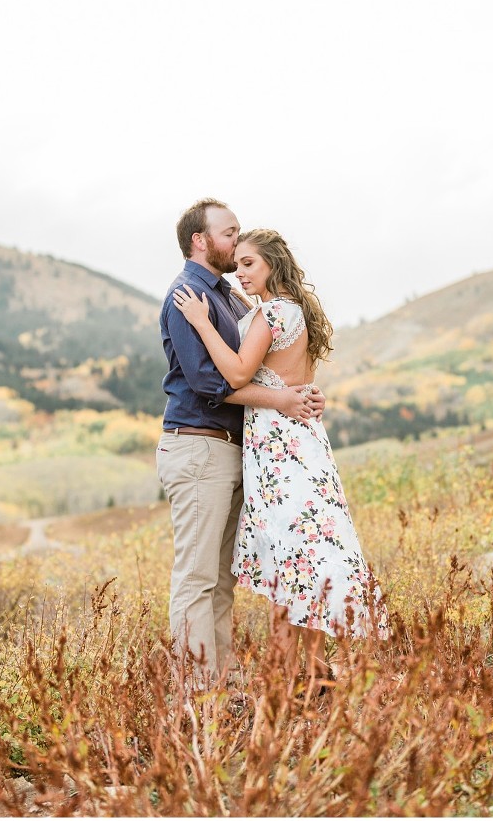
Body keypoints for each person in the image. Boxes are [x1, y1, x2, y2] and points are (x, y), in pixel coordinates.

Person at [173, 227, 388, 688]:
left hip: (280, 446)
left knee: (291, 554)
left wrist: (200, 321)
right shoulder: (295, 310)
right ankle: (308, 671)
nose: (241, 272)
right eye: (239, 263)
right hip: (302, 440)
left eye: (249, 263)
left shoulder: (272, 312)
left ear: (272, 263)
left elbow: (234, 373)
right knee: (306, 551)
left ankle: (287, 679)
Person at [157, 199, 326, 686]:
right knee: (197, 577)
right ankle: (193, 694)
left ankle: (219, 685)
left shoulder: (230, 297)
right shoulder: (187, 296)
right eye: (229, 233)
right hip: (198, 448)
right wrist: (282, 399)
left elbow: (269, 362)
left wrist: (299, 394)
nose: (238, 239)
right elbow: (213, 382)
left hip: (237, 450)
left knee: (221, 582)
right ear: (200, 240)